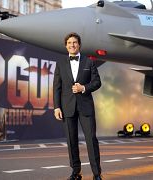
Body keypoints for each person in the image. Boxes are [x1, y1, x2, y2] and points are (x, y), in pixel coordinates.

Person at [53, 32, 102, 180]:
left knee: (91, 140)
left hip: (85, 106)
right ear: (66, 46)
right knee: (71, 141)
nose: (72, 45)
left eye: (74, 42)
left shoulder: (89, 62)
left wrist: (84, 88)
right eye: (69, 43)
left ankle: (97, 174)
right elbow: (57, 87)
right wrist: (56, 107)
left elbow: (97, 82)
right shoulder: (60, 63)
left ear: (79, 44)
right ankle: (76, 172)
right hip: (67, 107)